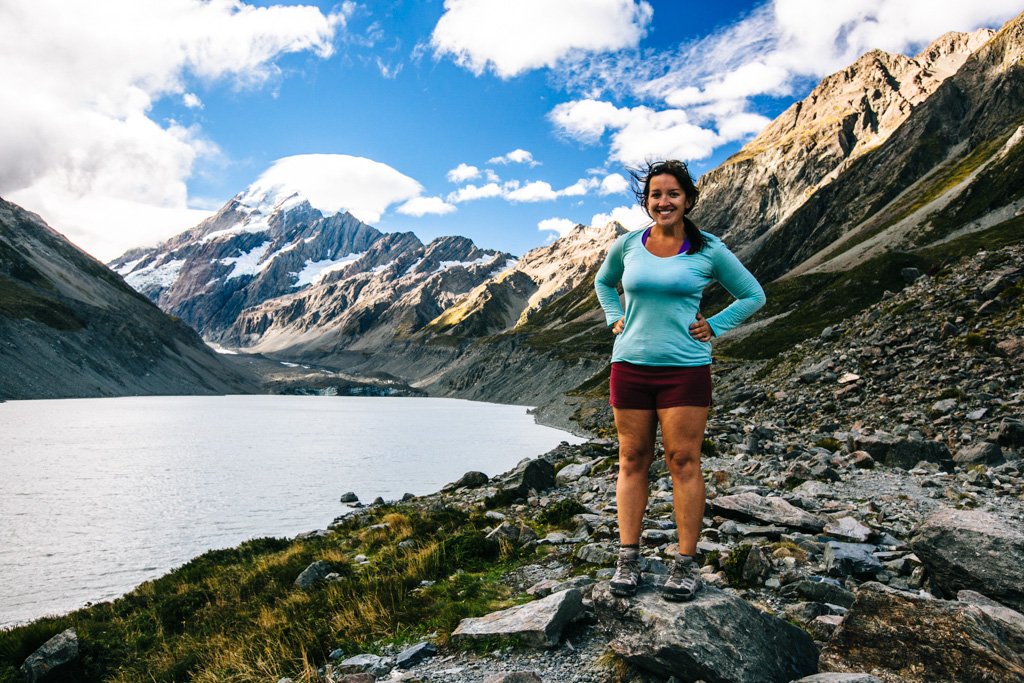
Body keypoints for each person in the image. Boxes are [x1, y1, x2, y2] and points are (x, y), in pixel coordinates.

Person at [594, 159, 765, 601]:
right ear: (646, 201)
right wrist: (615, 315)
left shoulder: (708, 250)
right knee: (632, 459)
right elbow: (604, 282)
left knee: (683, 461)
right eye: (655, 194)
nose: (663, 201)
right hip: (629, 365)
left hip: (685, 370)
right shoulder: (628, 245)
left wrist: (718, 325)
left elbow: (753, 295)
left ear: (688, 199)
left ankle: (685, 565)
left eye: (672, 194)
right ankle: (627, 559)